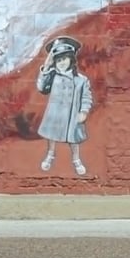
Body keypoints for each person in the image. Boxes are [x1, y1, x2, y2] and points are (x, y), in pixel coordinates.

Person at [35, 36, 93, 176]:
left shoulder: (81, 80)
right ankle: (50, 155)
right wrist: (46, 67)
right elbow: (41, 88)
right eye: (59, 60)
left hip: (72, 115)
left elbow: (86, 97)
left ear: (71, 60)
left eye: (65, 59)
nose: (62, 63)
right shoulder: (52, 76)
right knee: (52, 136)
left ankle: (76, 159)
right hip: (55, 115)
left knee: (74, 139)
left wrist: (83, 112)